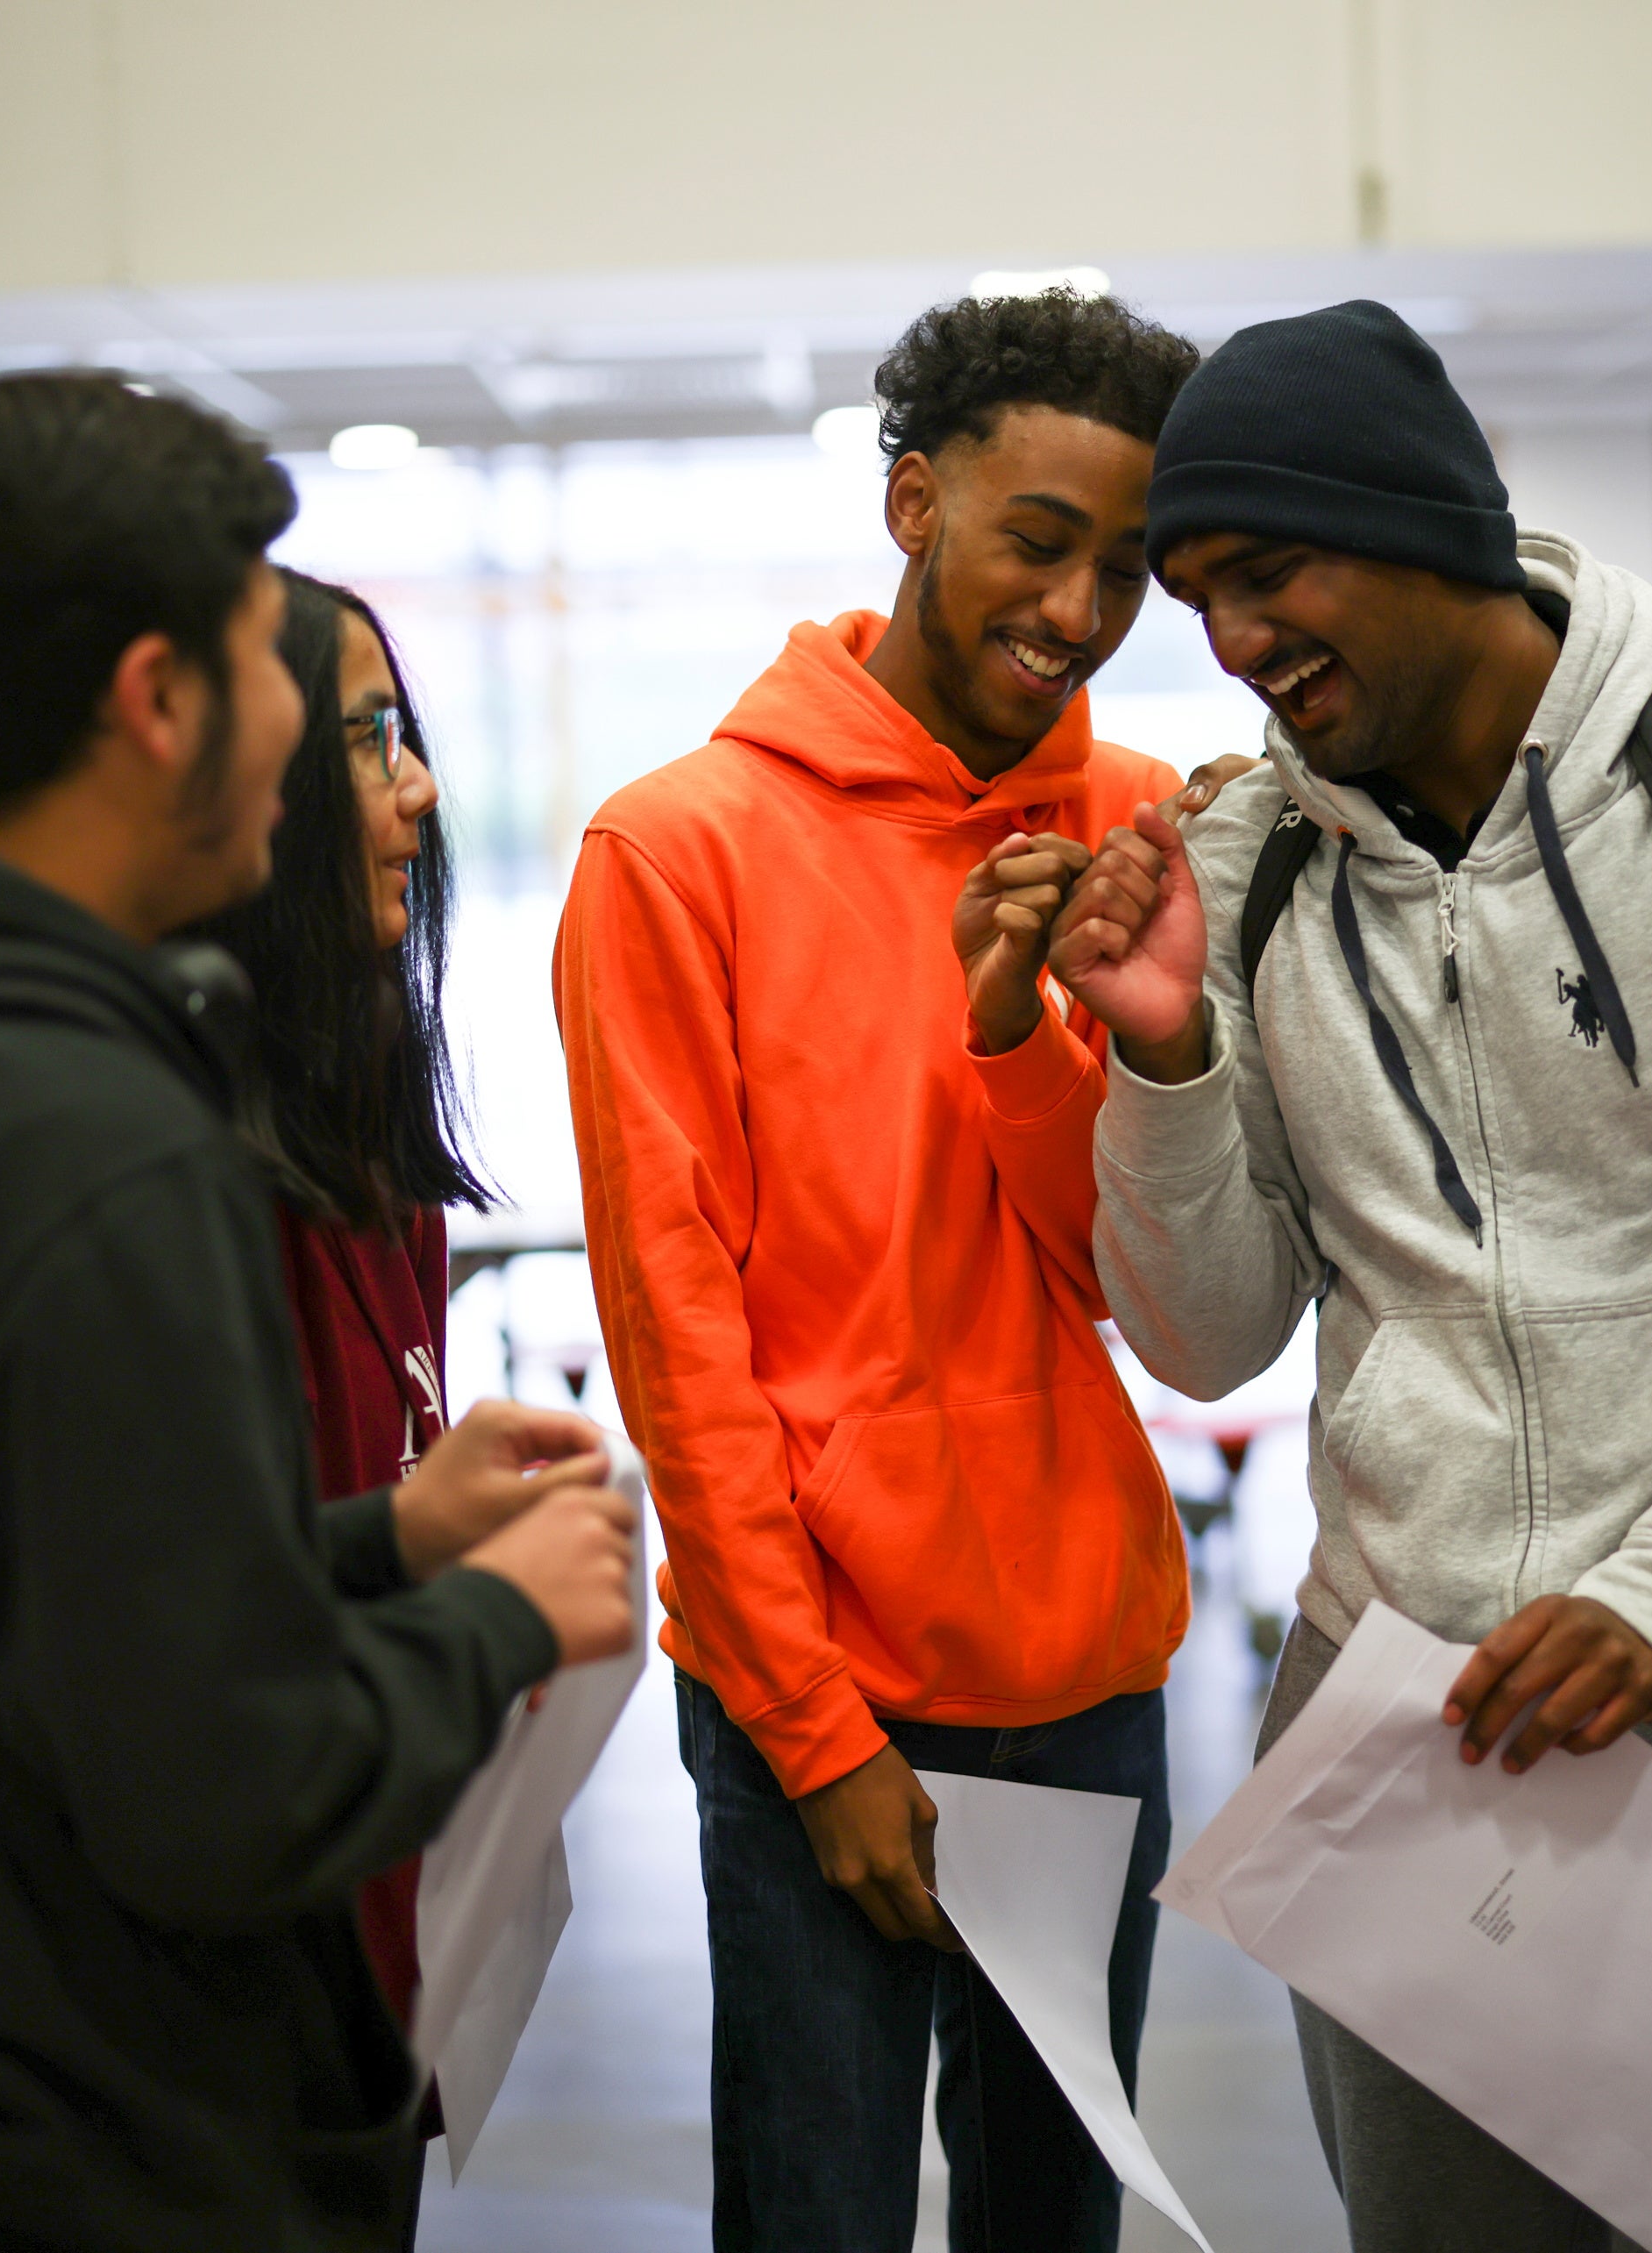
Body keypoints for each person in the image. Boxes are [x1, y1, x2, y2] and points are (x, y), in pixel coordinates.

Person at [0, 370, 638, 2252]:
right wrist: (495, 1623)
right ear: (162, 696)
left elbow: (40, 1600)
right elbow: (213, 1781)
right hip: (80, 2119)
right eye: (304, 695)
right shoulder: (97, 1151)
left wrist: (374, 1536)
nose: (372, 763)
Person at [1054, 299, 1652, 2252]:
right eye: (1194, 594)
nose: (1231, 641)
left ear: (1430, 526)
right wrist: (1162, 1049)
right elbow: (1210, 1330)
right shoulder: (1252, 861)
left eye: (1266, 571)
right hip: (1411, 1728)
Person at [555, 289, 1199, 2253]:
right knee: (816, 2222)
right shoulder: (677, 852)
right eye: (1037, 541)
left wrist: (1054, 1035)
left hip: (1085, 1670)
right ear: (915, 502)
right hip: (819, 1686)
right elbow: (684, 1346)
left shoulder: (1136, 823)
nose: (1080, 611)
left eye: (1130, 566)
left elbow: (1142, 1288)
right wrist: (818, 1739)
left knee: (1049, 2225)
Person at [179, 567, 484, 2191]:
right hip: (235, 1973)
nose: (419, 786)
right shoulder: (173, 1177)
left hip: (376, 1906)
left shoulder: (369, 1123)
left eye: (403, 733)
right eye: (367, 741)